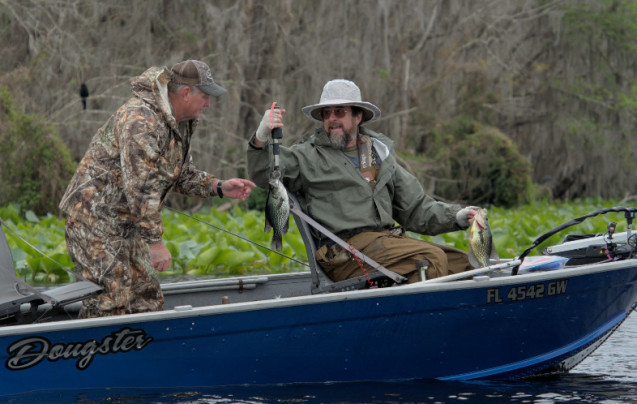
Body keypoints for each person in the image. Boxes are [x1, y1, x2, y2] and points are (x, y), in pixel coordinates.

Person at [60, 60, 256, 318]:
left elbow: (181, 174)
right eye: (205, 97)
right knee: (110, 301)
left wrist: (218, 187)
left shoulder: (180, 123)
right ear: (186, 94)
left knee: (147, 299)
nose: (208, 104)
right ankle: (97, 355)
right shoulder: (140, 119)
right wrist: (156, 242)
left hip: (129, 222)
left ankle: (143, 354)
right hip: (94, 220)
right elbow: (141, 186)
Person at [246, 79, 477, 283]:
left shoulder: (378, 154)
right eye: (327, 113)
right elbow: (266, 173)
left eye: (340, 112)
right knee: (430, 259)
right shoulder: (307, 155)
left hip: (387, 245)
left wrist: (457, 216)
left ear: (357, 117)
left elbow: (416, 209)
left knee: (464, 264)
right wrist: (261, 137)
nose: (332, 119)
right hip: (344, 254)